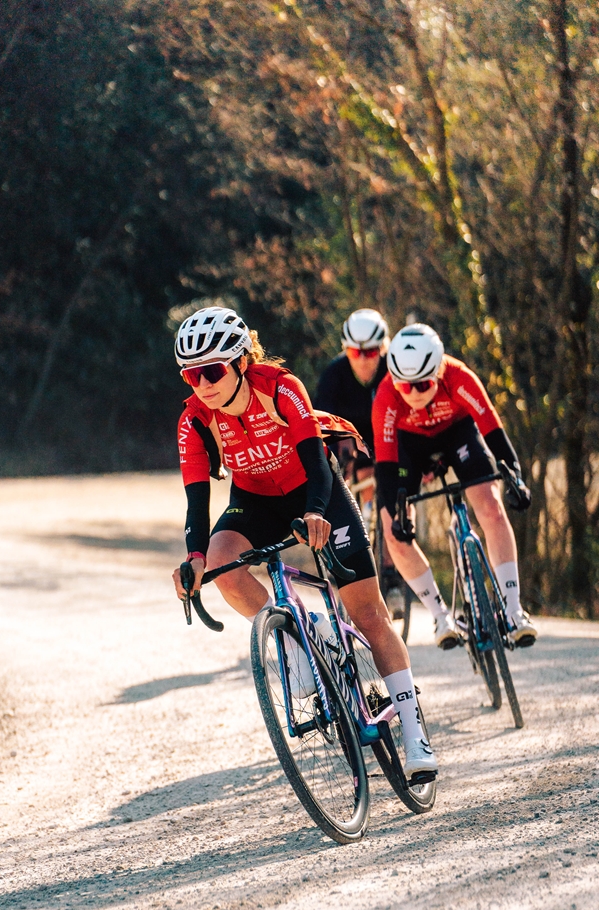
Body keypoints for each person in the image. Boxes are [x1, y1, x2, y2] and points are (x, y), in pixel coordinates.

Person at [172, 305, 437, 778]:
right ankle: (300, 641)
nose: (203, 384)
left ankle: (415, 731)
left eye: (211, 371)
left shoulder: (279, 387)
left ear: (239, 362)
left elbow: (316, 461)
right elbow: (196, 502)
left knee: (370, 614)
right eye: (191, 376)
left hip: (316, 493)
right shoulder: (194, 421)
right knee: (219, 563)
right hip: (254, 499)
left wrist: (315, 511)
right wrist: (192, 558)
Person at [372, 322, 537, 649]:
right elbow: (387, 467)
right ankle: (440, 615)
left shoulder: (459, 377)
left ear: (439, 371)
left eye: (423, 384)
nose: (414, 394)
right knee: (393, 529)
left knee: (490, 505)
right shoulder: (386, 398)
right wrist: (396, 511)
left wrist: (515, 476)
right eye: (406, 387)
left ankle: (515, 610)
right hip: (410, 446)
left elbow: (492, 429)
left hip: (458, 434)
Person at [314, 308, 388, 513]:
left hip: (383, 431)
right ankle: (365, 513)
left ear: (382, 348)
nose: (362, 360)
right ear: (345, 349)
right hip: (348, 435)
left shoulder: (392, 370)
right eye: (355, 352)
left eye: (371, 352)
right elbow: (323, 421)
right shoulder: (334, 374)